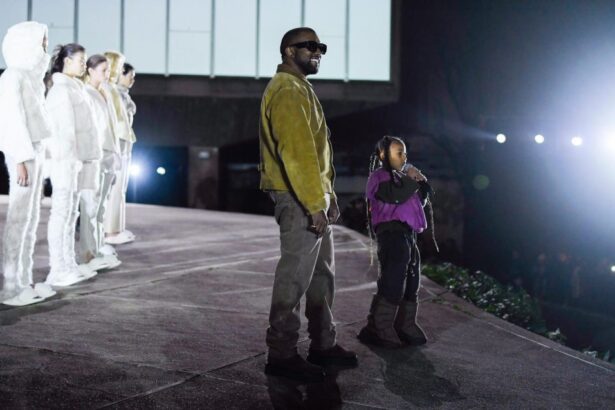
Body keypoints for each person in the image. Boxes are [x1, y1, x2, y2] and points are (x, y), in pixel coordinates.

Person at [259, 27, 357, 383]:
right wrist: (315, 202)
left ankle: (322, 344)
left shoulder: (300, 87)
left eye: (320, 47)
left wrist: (328, 196)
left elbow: (315, 153)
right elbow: (297, 154)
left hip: (312, 196)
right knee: (295, 277)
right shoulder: (287, 90)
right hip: (298, 198)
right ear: (289, 51)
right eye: (309, 46)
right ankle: (282, 354)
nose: (317, 52)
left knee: (320, 276)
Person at [0, 21, 57, 306]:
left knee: (31, 217)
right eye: (41, 41)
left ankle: (24, 280)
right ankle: (11, 285)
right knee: (19, 217)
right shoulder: (13, 76)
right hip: (23, 152)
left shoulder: (31, 78)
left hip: (36, 149)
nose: (45, 46)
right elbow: (10, 120)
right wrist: (21, 158)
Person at [357, 136, 430, 348]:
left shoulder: (402, 177)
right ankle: (379, 326)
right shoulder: (378, 177)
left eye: (405, 152)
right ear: (383, 155)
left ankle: (405, 324)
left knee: (412, 279)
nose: (404, 157)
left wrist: (422, 184)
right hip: (391, 233)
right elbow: (393, 195)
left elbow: (416, 202)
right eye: (399, 152)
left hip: (408, 234)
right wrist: (411, 179)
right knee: (393, 279)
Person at [44, 43, 99, 287]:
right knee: (61, 213)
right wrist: (70, 159)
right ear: (67, 61)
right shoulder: (61, 90)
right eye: (81, 60)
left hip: (75, 161)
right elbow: (62, 132)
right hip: (65, 161)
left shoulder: (75, 88)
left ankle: (68, 264)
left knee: (70, 214)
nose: (84, 65)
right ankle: (57, 269)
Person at [81, 54, 122, 271]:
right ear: (90, 71)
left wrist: (115, 156)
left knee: (100, 208)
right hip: (94, 155)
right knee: (90, 206)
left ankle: (96, 250)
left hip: (108, 154)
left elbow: (112, 127)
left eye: (108, 70)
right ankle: (87, 254)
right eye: (103, 70)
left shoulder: (105, 91)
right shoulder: (86, 93)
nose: (107, 74)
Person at [103, 53, 135, 245]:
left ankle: (117, 228)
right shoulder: (110, 91)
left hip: (124, 145)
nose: (132, 79)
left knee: (120, 189)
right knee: (114, 190)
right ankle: (110, 232)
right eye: (129, 75)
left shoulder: (119, 93)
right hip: (117, 146)